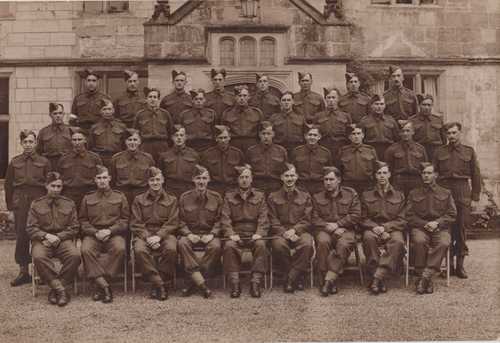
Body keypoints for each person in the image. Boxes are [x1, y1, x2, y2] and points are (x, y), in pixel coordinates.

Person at [432, 122, 481, 278]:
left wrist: (475, 197)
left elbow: (476, 175)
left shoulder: (469, 151)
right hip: (445, 191)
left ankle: (460, 265)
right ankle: (448, 265)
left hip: (462, 191)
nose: (451, 136)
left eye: (454, 133)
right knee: (445, 228)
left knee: (460, 229)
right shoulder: (439, 152)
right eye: (449, 133)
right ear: (445, 135)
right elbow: (433, 174)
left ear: (460, 133)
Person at [26, 172, 81, 306]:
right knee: (38, 256)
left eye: (59, 186)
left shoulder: (69, 204)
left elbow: (74, 227)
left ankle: (56, 287)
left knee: (75, 256)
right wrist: (45, 236)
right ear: (46, 186)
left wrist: (58, 237)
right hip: (43, 240)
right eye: (53, 186)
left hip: (63, 240)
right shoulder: (36, 204)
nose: (56, 189)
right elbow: (31, 228)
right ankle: (60, 289)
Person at [5, 130, 50, 287]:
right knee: (22, 236)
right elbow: (8, 186)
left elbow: (49, 184)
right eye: (25, 142)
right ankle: (24, 272)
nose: (28, 145)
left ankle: (42, 271)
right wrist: (11, 209)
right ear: (21, 143)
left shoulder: (44, 162)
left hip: (39, 200)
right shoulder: (14, 162)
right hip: (21, 202)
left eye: (31, 141)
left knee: (40, 235)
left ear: (36, 143)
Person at [79, 165, 129, 304]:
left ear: (110, 179)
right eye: (99, 178)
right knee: (85, 249)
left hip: (113, 233)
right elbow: (82, 221)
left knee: (120, 248)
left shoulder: (120, 196)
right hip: (93, 234)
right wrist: (95, 232)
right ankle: (105, 286)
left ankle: (100, 284)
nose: (102, 181)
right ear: (95, 180)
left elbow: (125, 220)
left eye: (104, 178)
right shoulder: (88, 198)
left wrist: (110, 231)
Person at [220, 165, 270, 298]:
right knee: (229, 246)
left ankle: (255, 282)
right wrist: (231, 234)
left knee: (261, 245)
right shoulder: (229, 196)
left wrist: (259, 233)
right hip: (236, 233)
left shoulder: (260, 196)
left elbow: (263, 217)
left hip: (254, 233)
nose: (244, 180)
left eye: (247, 177)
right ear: (237, 180)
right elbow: (225, 219)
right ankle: (235, 283)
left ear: (251, 179)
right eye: (241, 177)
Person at [406, 163, 457, 294]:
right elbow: (409, 215)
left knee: (444, 242)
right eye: (424, 173)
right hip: (420, 227)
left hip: (440, 228)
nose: (426, 176)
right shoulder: (413, 193)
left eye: (429, 173)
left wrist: (437, 223)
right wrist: (424, 224)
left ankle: (425, 276)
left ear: (435, 175)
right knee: (419, 241)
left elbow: (452, 214)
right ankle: (425, 277)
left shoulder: (446, 193)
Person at [130, 167, 180, 301]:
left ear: (163, 180)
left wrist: (159, 236)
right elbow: (136, 223)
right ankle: (160, 284)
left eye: (158, 179)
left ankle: (156, 284)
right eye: (152, 180)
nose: (155, 183)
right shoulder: (138, 200)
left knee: (171, 249)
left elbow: (173, 222)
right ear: (148, 182)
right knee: (139, 250)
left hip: (165, 233)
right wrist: (148, 237)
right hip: (144, 233)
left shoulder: (172, 200)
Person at [312, 166, 361, 296]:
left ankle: (330, 279)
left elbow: (356, 215)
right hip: (325, 229)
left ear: (339, 180)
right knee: (322, 242)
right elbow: (314, 218)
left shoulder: (351, 194)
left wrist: (339, 224)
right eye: (325, 179)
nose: (328, 182)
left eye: (331, 179)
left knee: (344, 244)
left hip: (346, 230)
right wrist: (332, 227)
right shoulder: (317, 196)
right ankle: (324, 279)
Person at [360, 161, 406, 295]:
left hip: (392, 228)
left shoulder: (399, 195)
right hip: (372, 228)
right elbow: (362, 218)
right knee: (368, 239)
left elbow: (402, 219)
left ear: (390, 175)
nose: (382, 176)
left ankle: (377, 278)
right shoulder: (366, 195)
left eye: (385, 173)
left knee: (398, 241)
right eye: (379, 173)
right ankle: (379, 277)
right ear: (375, 175)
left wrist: (385, 228)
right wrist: (376, 228)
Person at [177, 165, 223, 298]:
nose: (201, 182)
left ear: (208, 180)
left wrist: (212, 234)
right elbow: (180, 221)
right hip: (191, 233)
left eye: (204, 178)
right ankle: (202, 285)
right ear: (193, 180)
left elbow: (220, 220)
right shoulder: (184, 197)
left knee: (216, 246)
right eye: (198, 178)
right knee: (182, 243)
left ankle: (193, 281)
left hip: (209, 234)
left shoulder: (217, 197)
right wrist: (188, 234)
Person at [268, 163, 314, 293]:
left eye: (292, 175)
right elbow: (272, 219)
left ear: (297, 177)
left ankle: (290, 278)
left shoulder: (305, 196)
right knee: (278, 246)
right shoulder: (273, 197)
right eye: (286, 176)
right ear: (281, 177)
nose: (289, 179)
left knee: (307, 245)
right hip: (280, 232)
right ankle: (297, 277)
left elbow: (307, 219)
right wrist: (284, 232)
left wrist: (295, 230)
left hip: (300, 231)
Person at [57, 127, 103, 210]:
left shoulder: (94, 158)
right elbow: (59, 178)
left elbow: (101, 177)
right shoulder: (64, 159)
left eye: (79, 139)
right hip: (69, 194)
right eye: (74, 140)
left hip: (88, 193)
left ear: (85, 140)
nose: (77, 142)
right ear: (71, 141)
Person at [110, 129, 155, 206]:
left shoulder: (148, 158)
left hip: (141, 194)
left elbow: (152, 178)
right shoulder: (116, 158)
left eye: (135, 140)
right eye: (129, 140)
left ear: (139, 141)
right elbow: (112, 179)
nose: (132, 142)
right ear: (125, 142)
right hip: (122, 193)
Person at [384, 121, 428, 197]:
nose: (405, 134)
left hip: (416, 180)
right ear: (399, 133)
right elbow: (388, 169)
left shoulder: (420, 149)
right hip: (399, 181)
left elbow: (425, 168)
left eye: (408, 131)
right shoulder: (392, 149)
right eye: (402, 131)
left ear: (413, 132)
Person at [200, 125, 245, 195]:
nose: (223, 140)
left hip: (232, 189)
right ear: (216, 138)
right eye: (220, 138)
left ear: (229, 137)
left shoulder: (237, 153)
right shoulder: (207, 154)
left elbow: (242, 173)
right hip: (214, 189)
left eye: (225, 137)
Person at [245, 121, 288, 194]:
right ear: (259, 135)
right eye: (263, 133)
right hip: (256, 186)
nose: (266, 136)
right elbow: (247, 172)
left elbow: (285, 171)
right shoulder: (251, 151)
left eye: (268, 133)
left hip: (276, 186)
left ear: (273, 134)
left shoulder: (281, 151)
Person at [158, 125, 200, 198]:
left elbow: (198, 174)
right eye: (176, 135)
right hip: (170, 189)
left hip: (189, 189)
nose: (179, 138)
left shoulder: (194, 155)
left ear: (185, 137)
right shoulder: (165, 156)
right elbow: (161, 175)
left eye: (181, 135)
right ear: (172, 137)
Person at [134, 87, 174, 163]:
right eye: (150, 97)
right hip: (146, 145)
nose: (152, 99)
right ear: (146, 99)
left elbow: (170, 132)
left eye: (155, 97)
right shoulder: (140, 115)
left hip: (162, 146)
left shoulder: (165, 114)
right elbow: (136, 133)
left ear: (158, 99)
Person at [291, 124, 333, 195]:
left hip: (319, 186)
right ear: (305, 136)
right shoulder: (297, 151)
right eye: (310, 135)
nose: (312, 137)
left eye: (315, 135)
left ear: (319, 137)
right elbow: (292, 170)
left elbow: (329, 171)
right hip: (301, 185)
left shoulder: (325, 153)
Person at [337, 124, 378, 195]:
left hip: (367, 184)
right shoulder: (343, 151)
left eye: (358, 134)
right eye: (353, 134)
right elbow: (338, 169)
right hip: (348, 184)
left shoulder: (370, 150)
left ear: (363, 135)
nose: (356, 136)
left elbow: (376, 168)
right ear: (349, 137)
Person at [221, 85, 263, 153]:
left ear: (249, 97)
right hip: (233, 146)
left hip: (252, 145)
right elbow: (222, 133)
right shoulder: (227, 113)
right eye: (239, 95)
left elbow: (261, 133)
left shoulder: (257, 113)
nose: (242, 98)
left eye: (244, 95)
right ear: (235, 97)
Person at [313, 87, 352, 160]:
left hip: (341, 149)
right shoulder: (318, 116)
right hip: (324, 149)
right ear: (325, 99)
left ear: (338, 99)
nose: (331, 100)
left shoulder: (345, 116)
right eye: (329, 97)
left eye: (333, 97)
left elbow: (349, 135)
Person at [88, 99, 127, 169]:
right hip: (100, 158)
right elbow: (90, 146)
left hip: (117, 157)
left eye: (109, 109)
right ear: (100, 111)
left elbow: (125, 145)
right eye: (104, 109)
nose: (107, 112)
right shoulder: (94, 128)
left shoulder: (121, 126)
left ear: (113, 110)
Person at [359, 94, 400, 160]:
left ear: (385, 106)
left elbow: (397, 139)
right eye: (376, 104)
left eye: (381, 104)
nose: (379, 107)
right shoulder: (364, 121)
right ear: (371, 105)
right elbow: (360, 140)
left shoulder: (391, 120)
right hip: (371, 151)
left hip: (388, 150)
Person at [71, 69, 111, 133]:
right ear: (85, 82)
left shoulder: (105, 98)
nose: (91, 83)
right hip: (82, 130)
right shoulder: (78, 98)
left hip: (98, 130)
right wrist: (73, 127)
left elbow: (109, 116)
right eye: (88, 80)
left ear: (98, 82)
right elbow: (73, 116)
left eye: (94, 81)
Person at [36, 103, 73, 170]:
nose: (58, 116)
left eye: (60, 113)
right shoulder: (44, 132)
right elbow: (38, 152)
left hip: (67, 166)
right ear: (50, 115)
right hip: (50, 167)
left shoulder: (70, 130)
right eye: (55, 113)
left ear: (63, 114)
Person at [409, 94, 445, 160]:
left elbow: (444, 139)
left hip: (435, 152)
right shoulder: (412, 120)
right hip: (418, 152)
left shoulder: (438, 120)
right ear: (419, 105)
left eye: (429, 105)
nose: (426, 107)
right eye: (424, 104)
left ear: (432, 106)